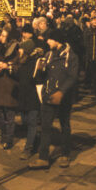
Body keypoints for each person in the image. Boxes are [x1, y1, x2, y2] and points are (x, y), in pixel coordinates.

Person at [29, 29, 78, 169]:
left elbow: (72, 77)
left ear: (57, 40)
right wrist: (39, 69)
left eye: (50, 39)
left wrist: (62, 92)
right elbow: (43, 76)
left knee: (65, 125)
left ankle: (65, 154)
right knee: (45, 126)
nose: (47, 41)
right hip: (48, 95)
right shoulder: (49, 54)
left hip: (63, 97)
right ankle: (43, 157)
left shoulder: (71, 56)